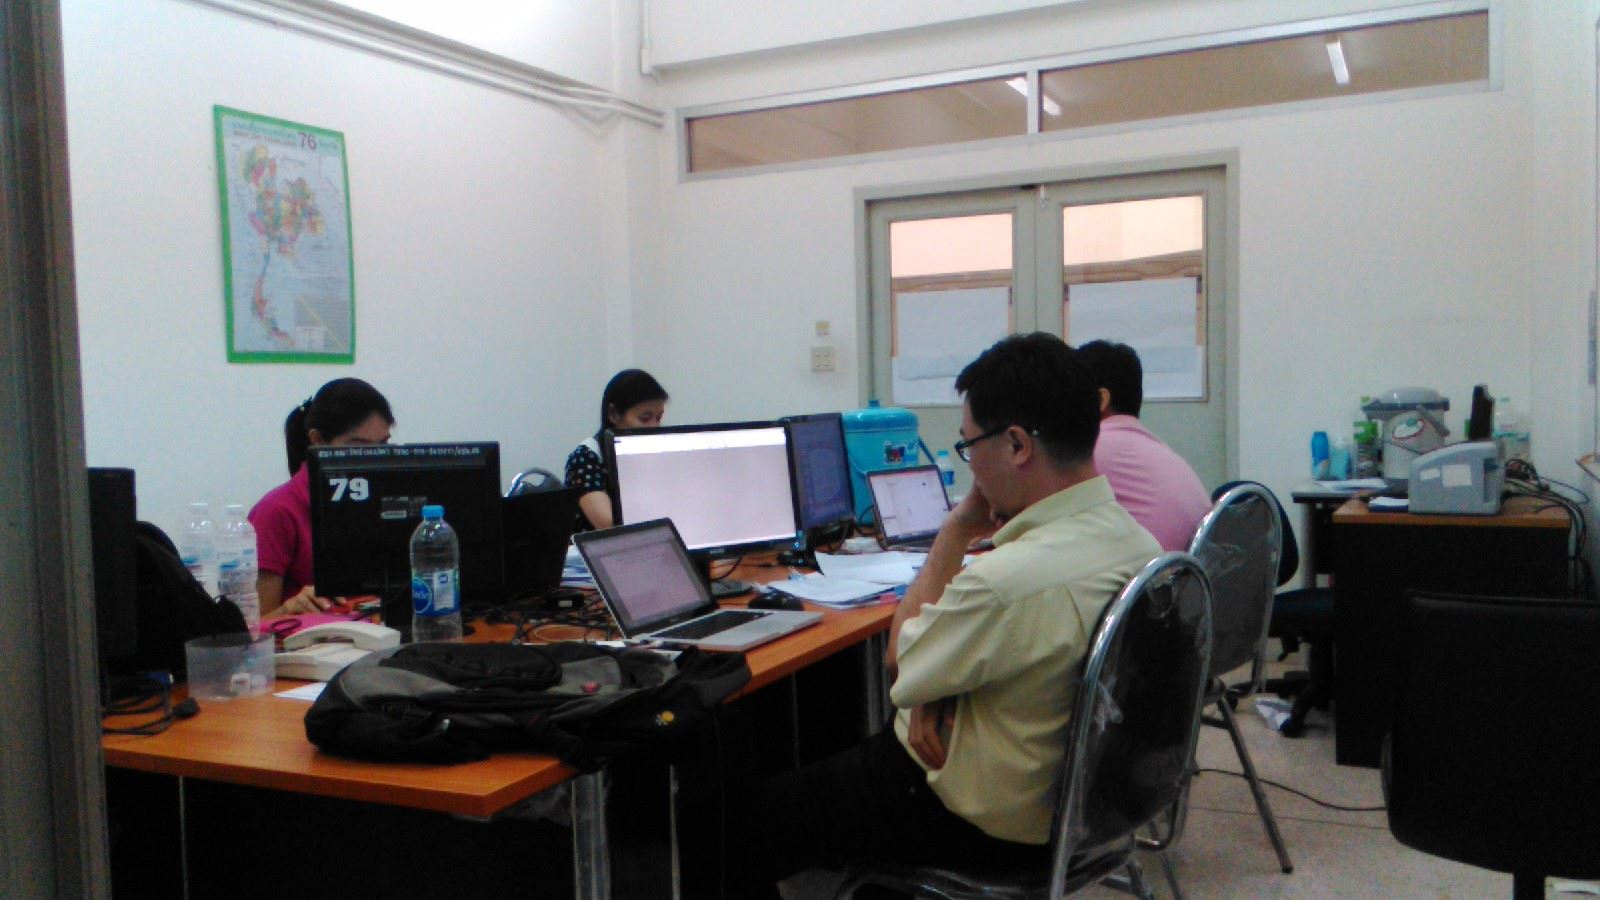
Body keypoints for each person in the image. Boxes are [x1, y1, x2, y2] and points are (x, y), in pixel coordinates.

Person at [730, 333, 1162, 896]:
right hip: (1089, 808)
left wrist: (954, 531)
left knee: (739, 827)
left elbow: (898, 664)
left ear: (1016, 445)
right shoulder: (1139, 543)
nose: (970, 462)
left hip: (980, 820)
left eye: (968, 444)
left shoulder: (1006, 582)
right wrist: (936, 690)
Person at [249, 378, 394, 616]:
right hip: (308, 637)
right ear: (318, 440)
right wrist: (289, 608)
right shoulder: (276, 511)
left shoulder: (385, 499)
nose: (374, 458)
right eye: (359, 446)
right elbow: (255, 627)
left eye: (383, 445)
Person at [1077, 339, 1213, 552]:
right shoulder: (1155, 447)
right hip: (1189, 570)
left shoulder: (1091, 447)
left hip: (1153, 570)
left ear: (1100, 400)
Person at [564, 369, 668, 530]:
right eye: (645, 418)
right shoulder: (585, 458)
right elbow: (610, 525)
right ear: (613, 414)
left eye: (658, 418)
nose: (654, 427)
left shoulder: (652, 454)